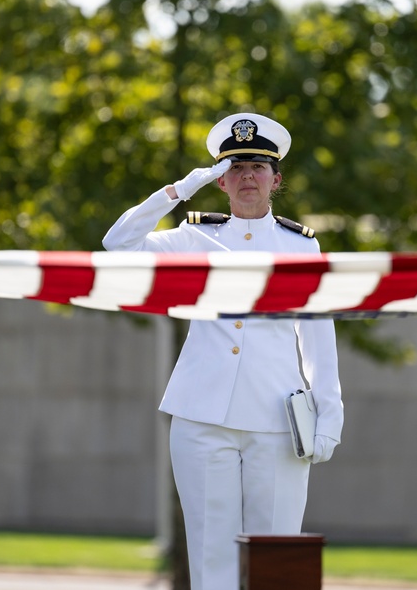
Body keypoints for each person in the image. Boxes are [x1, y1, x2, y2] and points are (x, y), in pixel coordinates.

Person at [103, 113, 344, 590]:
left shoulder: (301, 249)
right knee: (213, 562)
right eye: (234, 168)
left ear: (276, 180)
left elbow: (319, 337)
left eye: (257, 167)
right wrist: (177, 190)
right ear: (220, 181)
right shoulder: (194, 238)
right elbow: (118, 244)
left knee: (275, 565)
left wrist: (329, 415)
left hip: (277, 419)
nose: (246, 177)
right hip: (201, 418)